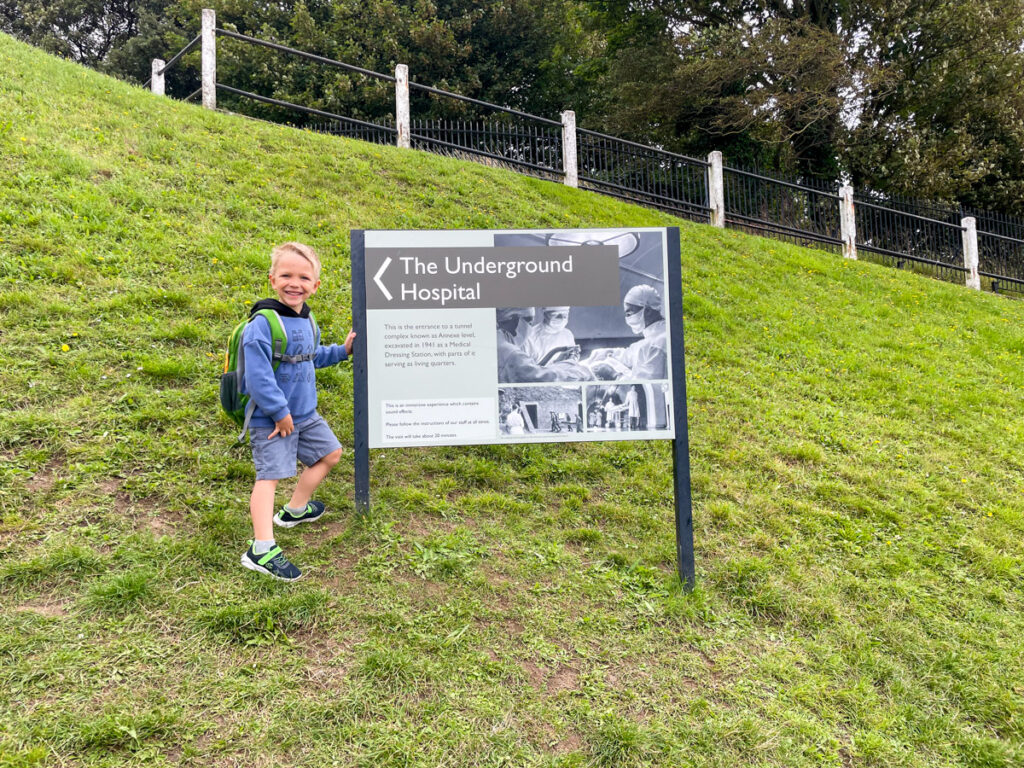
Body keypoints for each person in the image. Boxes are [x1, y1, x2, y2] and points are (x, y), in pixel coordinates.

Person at [239, 242, 356, 582]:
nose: (295, 283)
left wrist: (342, 351)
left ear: (315, 285)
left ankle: (294, 510)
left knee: (330, 454)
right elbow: (257, 378)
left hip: (305, 414)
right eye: (286, 275)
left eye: (304, 277)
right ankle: (261, 549)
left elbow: (312, 356)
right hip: (272, 420)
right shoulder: (263, 324)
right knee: (269, 476)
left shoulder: (306, 319)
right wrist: (278, 412)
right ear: (272, 279)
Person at [588, 285, 668, 380]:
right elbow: (630, 353)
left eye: (629, 314)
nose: (627, 318)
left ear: (648, 311)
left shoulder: (657, 345)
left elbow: (645, 388)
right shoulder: (654, 337)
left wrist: (614, 374)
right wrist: (609, 352)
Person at [496, 307, 589, 383]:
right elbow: (539, 377)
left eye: (565, 315)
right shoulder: (510, 353)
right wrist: (581, 372)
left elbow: (533, 370)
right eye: (529, 322)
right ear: (514, 320)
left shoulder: (497, 340)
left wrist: (560, 360)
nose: (530, 327)